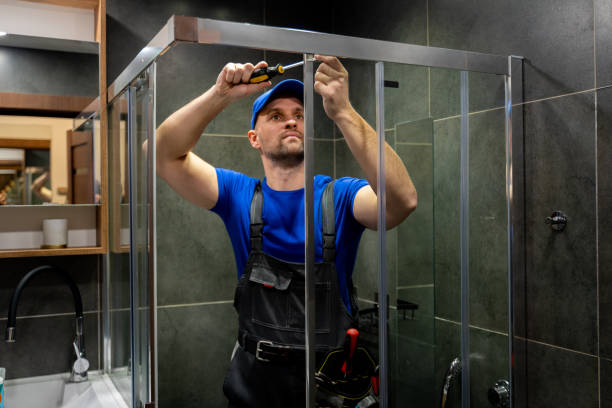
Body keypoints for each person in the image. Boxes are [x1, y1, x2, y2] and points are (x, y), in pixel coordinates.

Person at [156, 55, 417, 407]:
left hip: (329, 389)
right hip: (254, 388)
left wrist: (342, 111)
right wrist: (220, 94)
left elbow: (402, 201)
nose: (291, 121)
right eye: (276, 116)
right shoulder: (238, 195)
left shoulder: (340, 197)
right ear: (254, 138)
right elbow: (162, 153)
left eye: (299, 115)